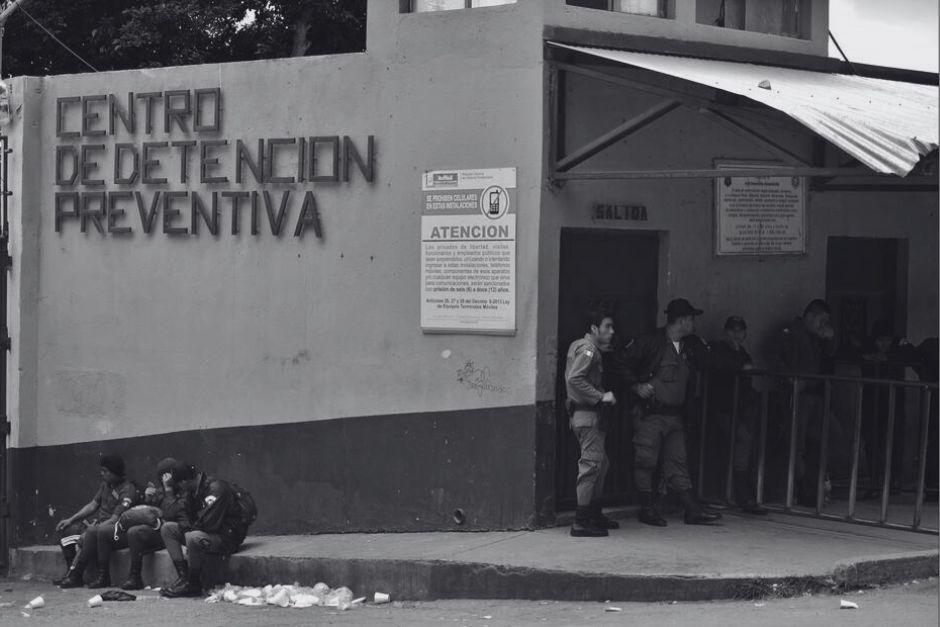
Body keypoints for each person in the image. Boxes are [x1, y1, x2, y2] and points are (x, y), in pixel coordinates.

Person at [618, 298, 721, 527]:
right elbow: (622, 363)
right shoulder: (650, 342)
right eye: (691, 319)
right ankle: (646, 508)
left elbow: (711, 363)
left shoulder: (690, 345)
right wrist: (636, 386)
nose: (694, 324)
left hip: (675, 415)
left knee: (678, 462)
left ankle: (691, 510)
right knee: (646, 460)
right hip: (650, 414)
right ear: (682, 320)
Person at [766, 299, 839, 505]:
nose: (823, 325)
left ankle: (809, 487)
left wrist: (829, 338)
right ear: (810, 316)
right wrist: (789, 379)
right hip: (799, 394)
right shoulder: (791, 332)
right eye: (821, 320)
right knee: (795, 445)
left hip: (815, 394)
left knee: (828, 437)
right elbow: (772, 354)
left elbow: (830, 354)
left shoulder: (815, 337)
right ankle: (793, 491)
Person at [564, 309, 618, 537]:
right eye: (607, 326)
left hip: (584, 416)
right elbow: (574, 379)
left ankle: (594, 513)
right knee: (591, 467)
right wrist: (600, 396)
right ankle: (581, 521)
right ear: (594, 329)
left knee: (601, 465)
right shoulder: (588, 349)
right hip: (587, 416)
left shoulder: (580, 345)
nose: (612, 331)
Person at [159, 463, 249, 598]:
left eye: (179, 485)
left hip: (226, 538)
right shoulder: (192, 491)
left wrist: (188, 526)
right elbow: (175, 514)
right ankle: (184, 579)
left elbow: (210, 524)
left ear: (184, 482)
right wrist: (169, 493)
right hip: (207, 533)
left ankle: (194, 583)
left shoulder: (216, 489)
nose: (180, 488)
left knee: (192, 536)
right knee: (168, 529)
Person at [709, 316, 767, 514]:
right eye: (732, 330)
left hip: (739, 408)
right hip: (722, 409)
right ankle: (738, 495)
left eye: (740, 331)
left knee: (742, 445)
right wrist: (741, 369)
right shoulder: (719, 350)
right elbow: (721, 368)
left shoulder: (743, 353)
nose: (736, 334)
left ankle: (738, 494)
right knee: (738, 443)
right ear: (725, 332)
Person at [55, 454, 139, 588]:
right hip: (99, 526)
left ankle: (76, 575)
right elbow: (92, 505)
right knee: (67, 531)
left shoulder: (127, 489)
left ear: (115, 472)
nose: (102, 474)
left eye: (105, 471)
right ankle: (70, 572)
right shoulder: (106, 485)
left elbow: (114, 519)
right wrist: (71, 519)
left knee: (92, 532)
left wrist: (90, 531)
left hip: (114, 531)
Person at [110, 457, 194, 590]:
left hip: (176, 532)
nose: (163, 479)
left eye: (166, 476)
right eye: (161, 476)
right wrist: (148, 499)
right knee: (134, 531)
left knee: (149, 530)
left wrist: (169, 491)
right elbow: (151, 514)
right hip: (160, 529)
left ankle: (184, 577)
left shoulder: (184, 489)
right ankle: (134, 576)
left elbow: (172, 514)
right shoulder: (160, 490)